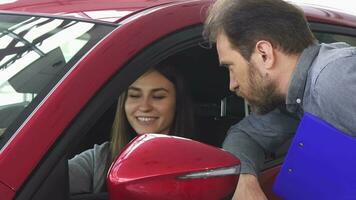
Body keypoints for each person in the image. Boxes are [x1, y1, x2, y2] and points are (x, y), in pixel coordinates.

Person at [203, 0, 356, 199]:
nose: (232, 84)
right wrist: (244, 181)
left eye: (231, 67)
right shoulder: (293, 99)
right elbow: (245, 135)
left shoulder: (334, 80)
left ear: (264, 54)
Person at [68, 62, 194, 194]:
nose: (145, 107)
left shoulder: (199, 164)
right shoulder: (99, 160)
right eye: (134, 96)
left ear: (178, 104)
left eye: (158, 97)